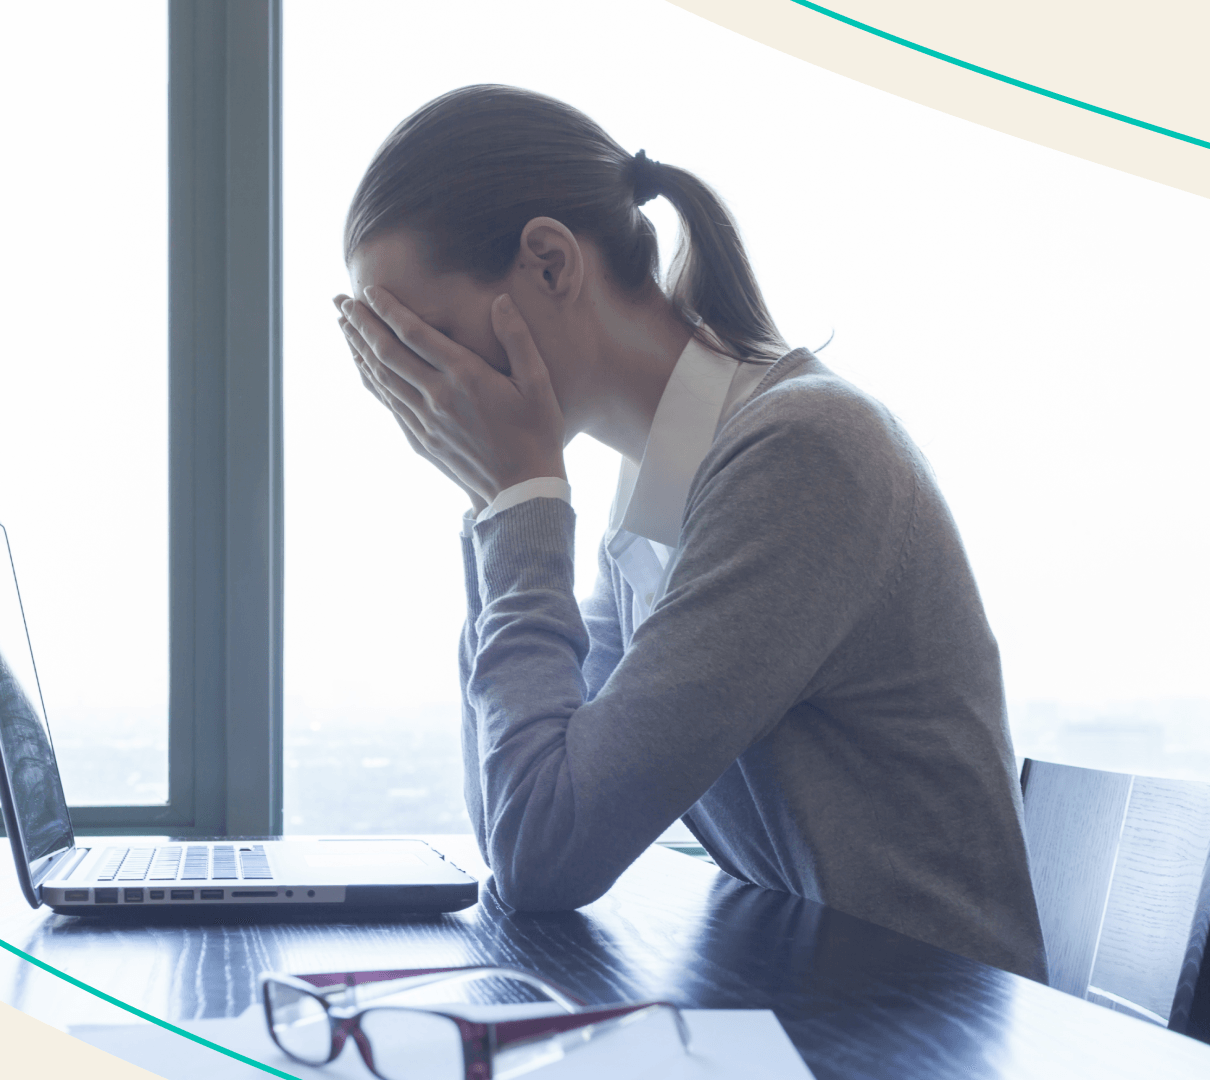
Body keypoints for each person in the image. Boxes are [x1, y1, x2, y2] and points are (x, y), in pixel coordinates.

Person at [333, 84, 1048, 983]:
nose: (426, 393)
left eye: (428, 342)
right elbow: (522, 804)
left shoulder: (801, 455)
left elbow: (546, 854)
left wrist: (516, 503)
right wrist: (495, 507)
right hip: (817, 1003)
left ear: (551, 263)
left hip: (918, 1035)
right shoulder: (665, 476)